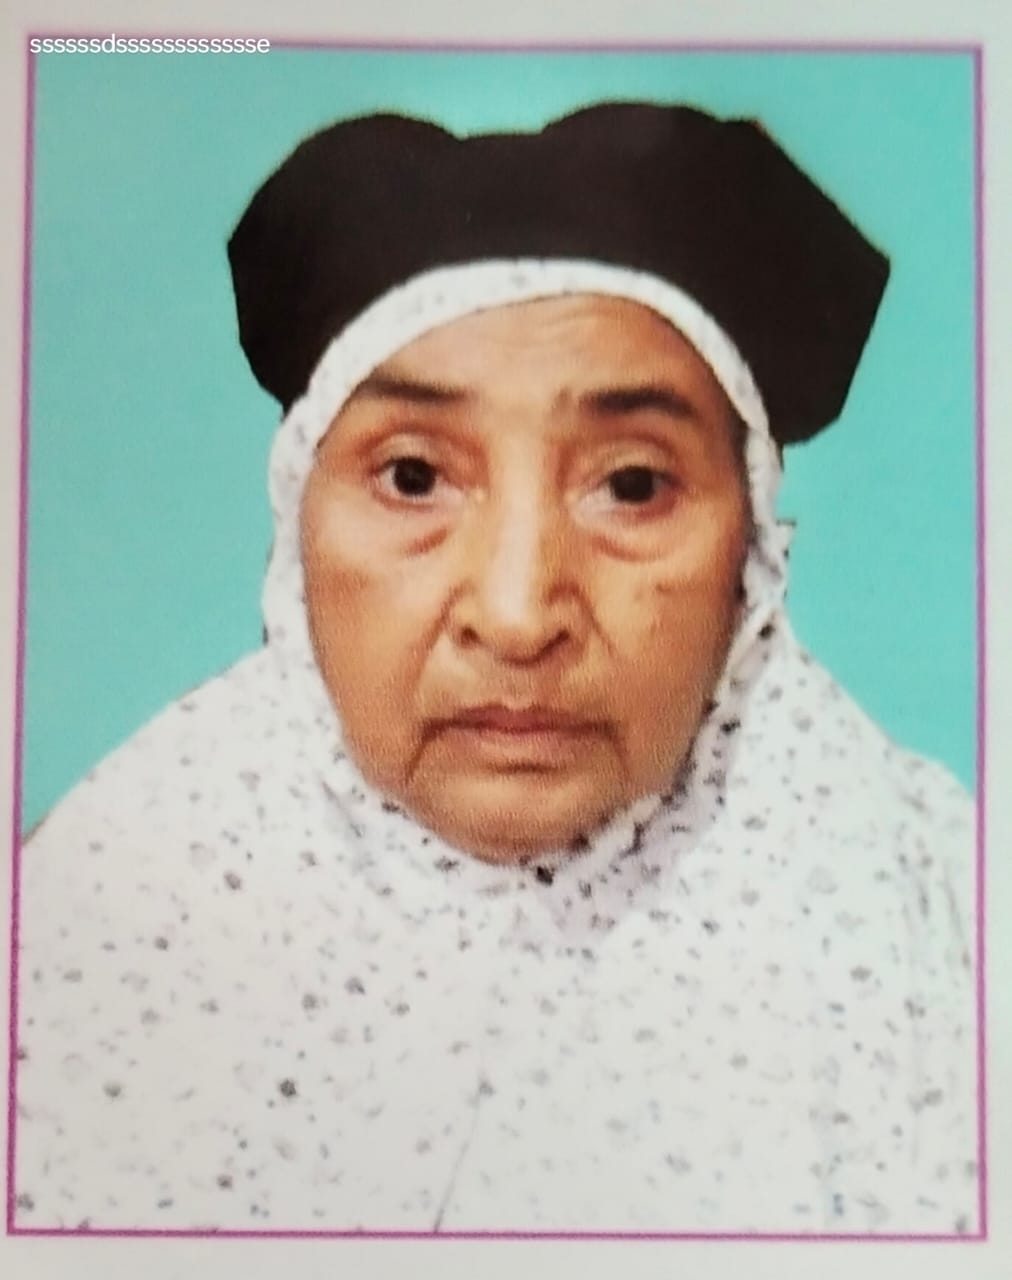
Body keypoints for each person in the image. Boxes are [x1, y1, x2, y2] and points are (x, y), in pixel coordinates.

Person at [14, 103, 977, 1235]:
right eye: (414, 477)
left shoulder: (948, 936)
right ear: (296, 533)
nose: (518, 618)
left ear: (750, 560)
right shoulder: (82, 929)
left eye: (631, 486)